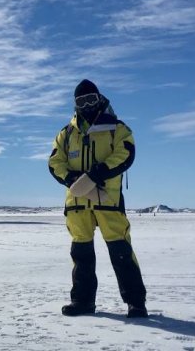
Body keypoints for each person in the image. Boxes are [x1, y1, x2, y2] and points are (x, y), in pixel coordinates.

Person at [48, 79, 148, 318]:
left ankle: (136, 303)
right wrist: (72, 178)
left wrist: (97, 173)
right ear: (75, 104)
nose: (87, 105)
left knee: (121, 252)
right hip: (77, 205)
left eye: (91, 99)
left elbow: (126, 153)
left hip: (108, 203)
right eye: (81, 101)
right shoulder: (66, 133)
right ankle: (82, 301)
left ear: (100, 99)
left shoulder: (117, 128)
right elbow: (54, 162)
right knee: (81, 255)